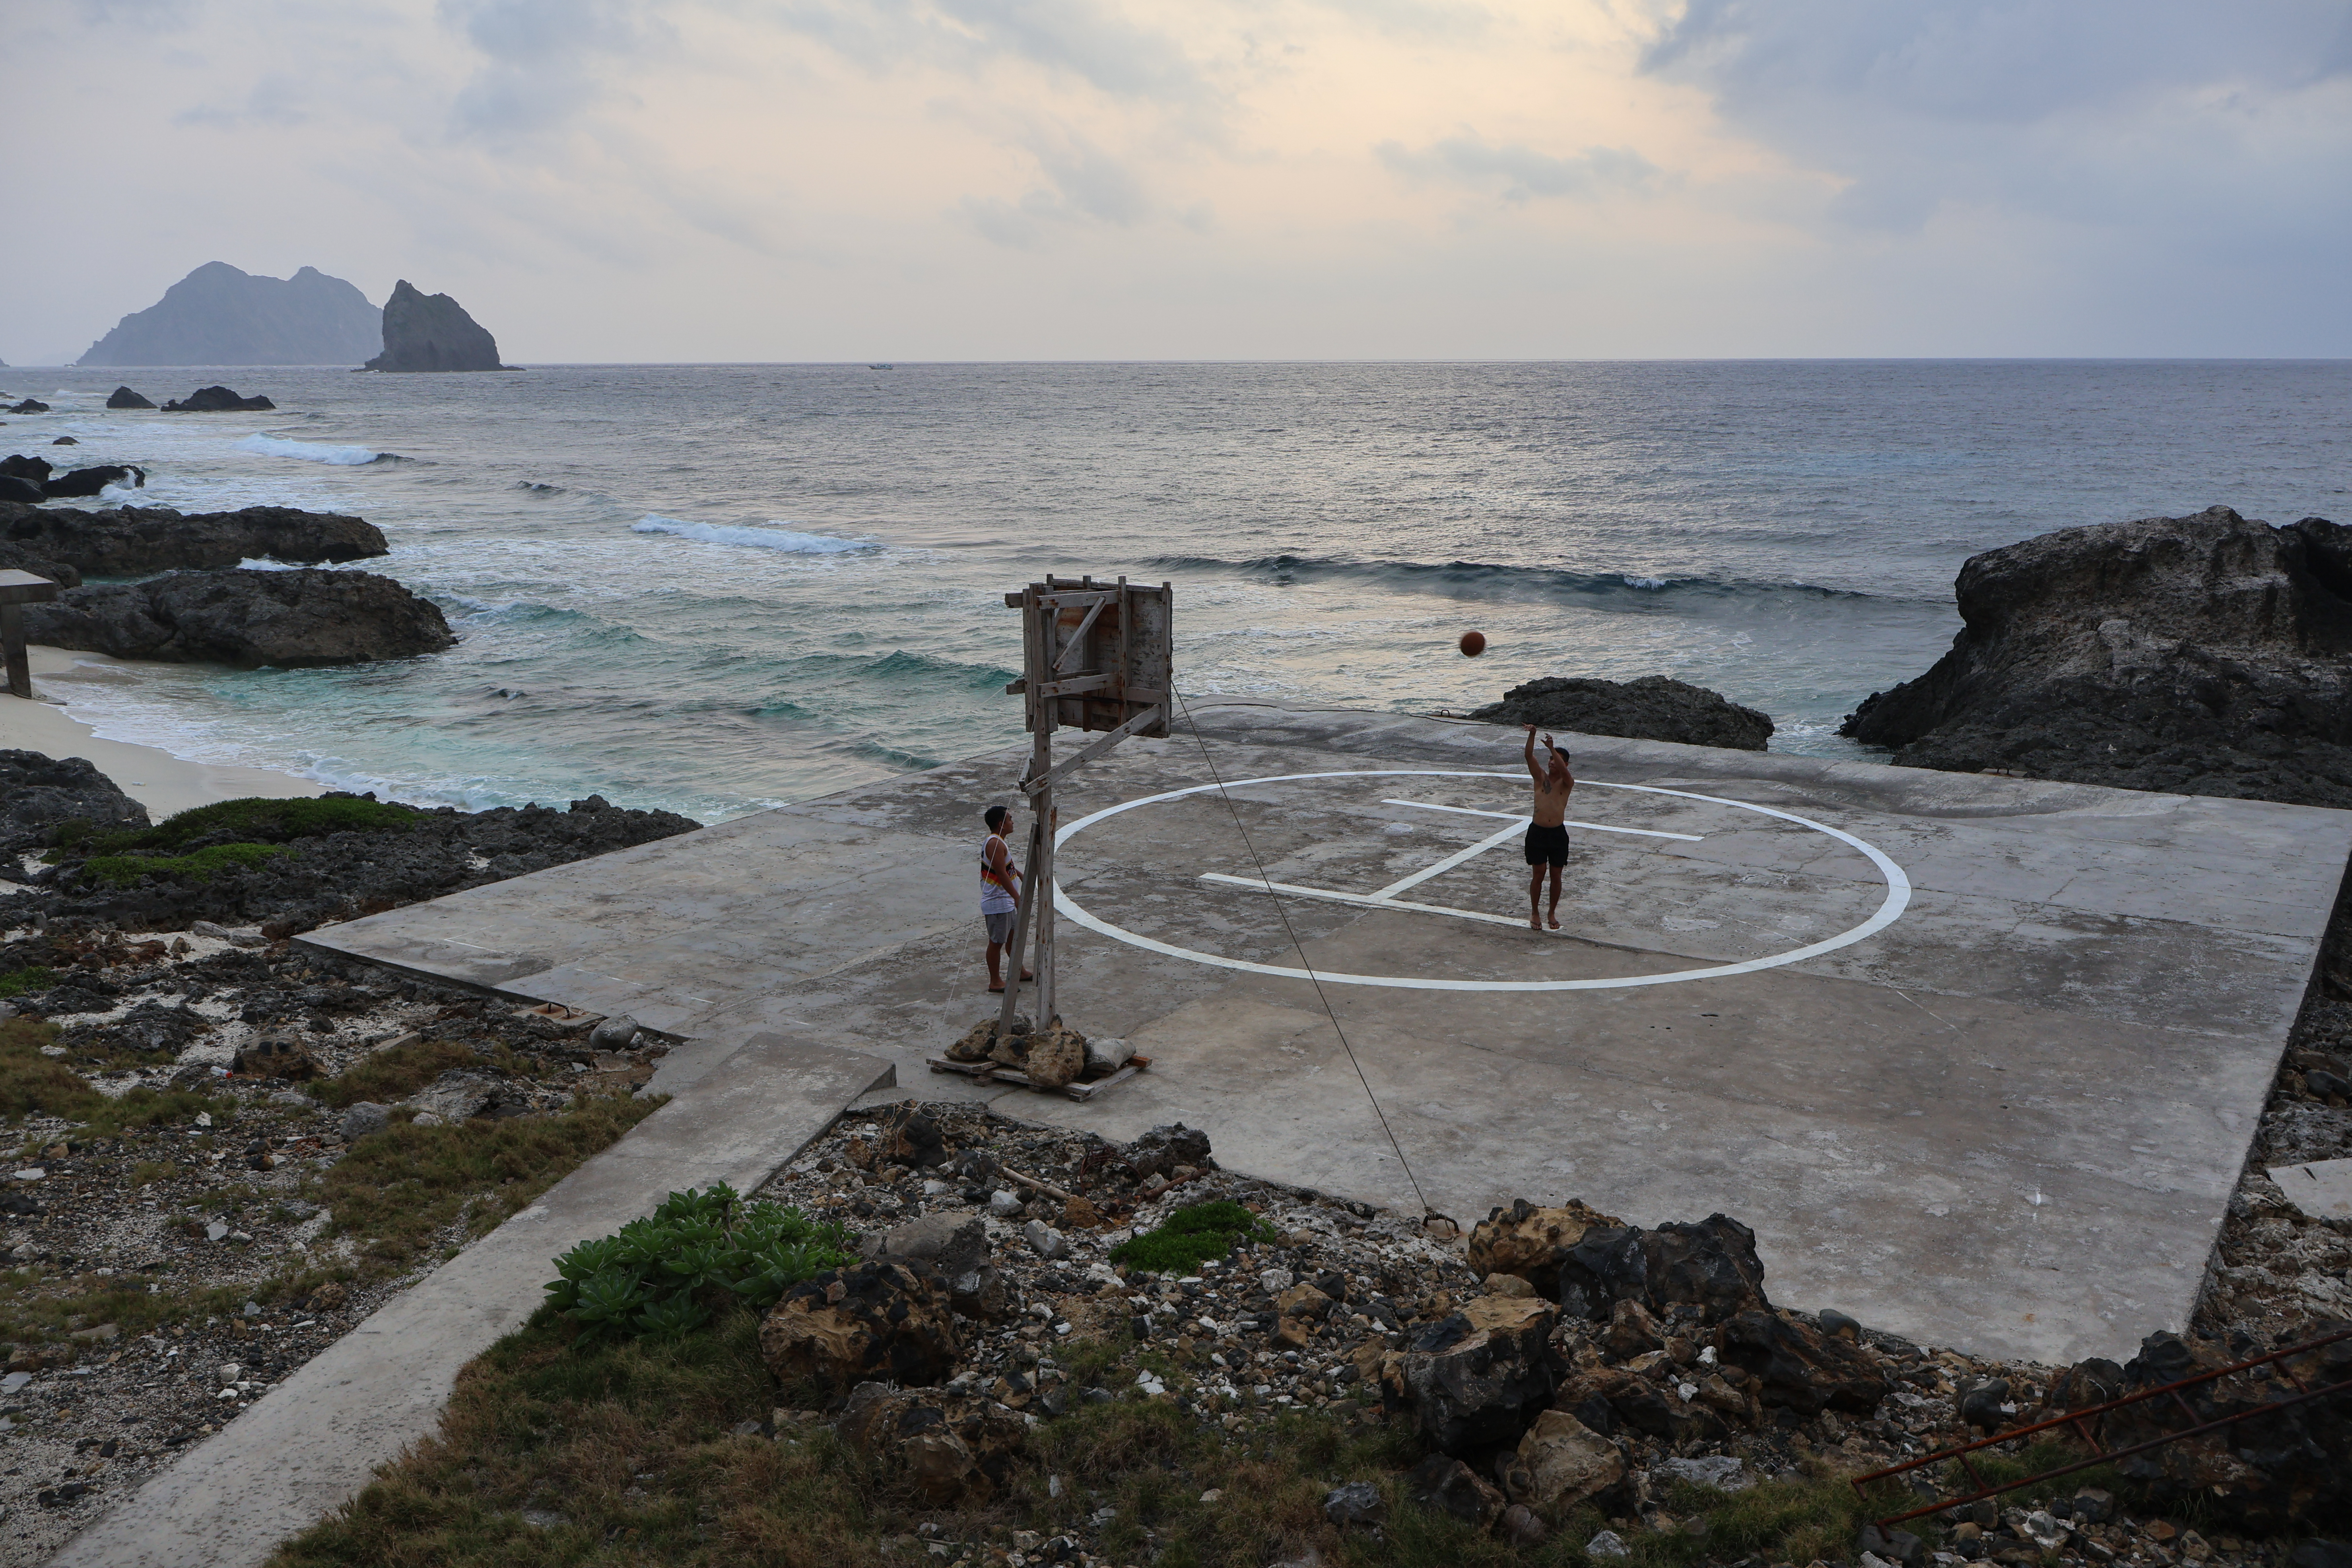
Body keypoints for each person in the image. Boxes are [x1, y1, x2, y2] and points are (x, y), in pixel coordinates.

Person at [1522, 724, 1573, 930]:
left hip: (1558, 835)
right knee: (1539, 873)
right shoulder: (1540, 778)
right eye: (1551, 758)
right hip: (1538, 832)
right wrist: (1533, 735)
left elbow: (1562, 770)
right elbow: (1528, 756)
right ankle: (1535, 912)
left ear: (1566, 764)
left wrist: (1553, 749)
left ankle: (1551, 912)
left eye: (1557, 759)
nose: (1553, 762)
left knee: (1556, 875)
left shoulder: (1567, 782)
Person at [980, 804, 1033, 993]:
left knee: (1013, 940)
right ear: (1001, 824)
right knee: (997, 943)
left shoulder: (999, 842)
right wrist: (1017, 897)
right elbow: (1001, 874)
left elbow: (1006, 867)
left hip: (1006, 902)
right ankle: (995, 981)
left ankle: (1019, 971)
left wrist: (1018, 874)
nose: (1013, 823)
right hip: (998, 903)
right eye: (1010, 819)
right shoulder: (995, 844)